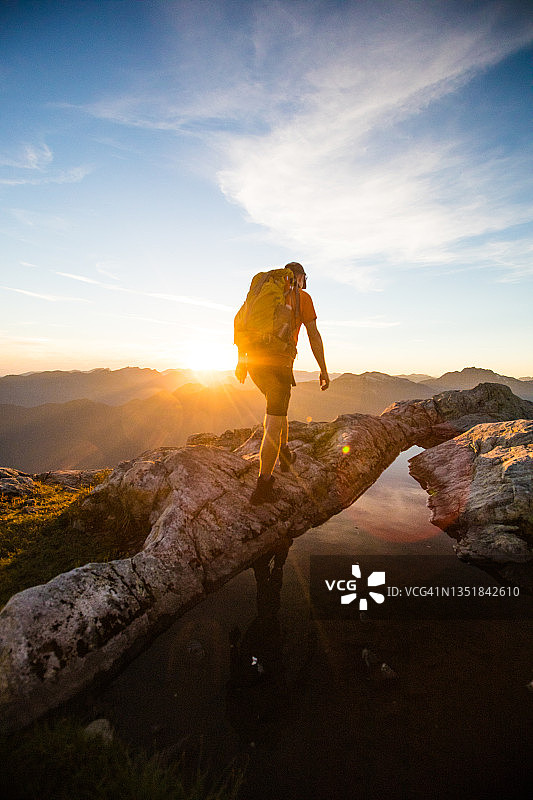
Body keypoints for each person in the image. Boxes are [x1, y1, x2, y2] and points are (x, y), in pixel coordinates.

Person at [235, 262, 329, 504]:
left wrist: (241, 362)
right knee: (273, 423)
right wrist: (323, 369)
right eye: (304, 279)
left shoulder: (262, 294)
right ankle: (263, 486)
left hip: (255, 364)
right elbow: (313, 335)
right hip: (279, 365)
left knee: (278, 409)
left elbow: (243, 325)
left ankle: (285, 454)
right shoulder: (302, 298)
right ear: (300, 277)